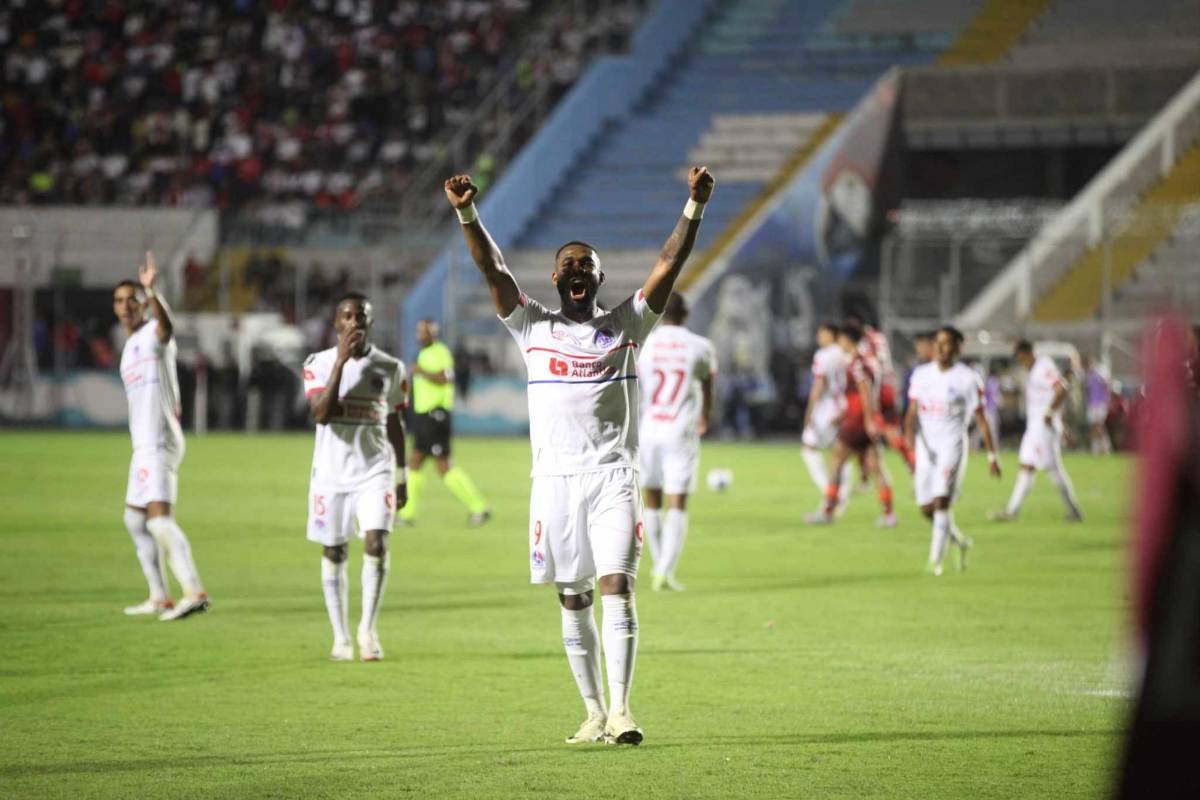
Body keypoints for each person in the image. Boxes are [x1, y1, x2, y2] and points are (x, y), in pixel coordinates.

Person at [444, 164, 715, 746]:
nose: (575, 271)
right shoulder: (530, 325)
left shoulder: (628, 323)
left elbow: (670, 263)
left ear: (598, 279)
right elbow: (492, 267)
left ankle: (622, 711)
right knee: (574, 597)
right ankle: (593, 711)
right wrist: (467, 213)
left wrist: (694, 206)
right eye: (567, 264)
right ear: (553, 276)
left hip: (614, 475)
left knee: (617, 585)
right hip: (555, 482)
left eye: (585, 266)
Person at [302, 292, 409, 661]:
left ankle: (367, 629)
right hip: (331, 475)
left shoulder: (391, 367)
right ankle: (340, 637)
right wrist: (341, 365)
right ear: (336, 323)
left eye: (361, 317)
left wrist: (402, 474)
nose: (355, 323)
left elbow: (395, 420)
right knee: (334, 550)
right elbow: (321, 414)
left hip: (374, 472)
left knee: (376, 543)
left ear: (370, 323)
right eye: (347, 316)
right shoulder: (318, 363)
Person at [114, 251, 209, 621]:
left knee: (157, 520)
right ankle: (158, 596)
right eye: (119, 301)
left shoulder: (153, 335)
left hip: (159, 441)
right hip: (143, 445)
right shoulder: (128, 348)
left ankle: (194, 590)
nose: (125, 306)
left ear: (143, 306)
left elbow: (166, 327)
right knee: (135, 521)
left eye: (132, 299)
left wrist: (154, 292)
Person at [904, 327, 1002, 576]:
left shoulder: (967, 379)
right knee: (925, 507)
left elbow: (981, 418)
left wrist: (992, 455)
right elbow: (912, 411)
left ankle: (934, 561)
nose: (940, 347)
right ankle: (959, 543)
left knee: (941, 502)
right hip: (926, 446)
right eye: (937, 342)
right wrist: (908, 442)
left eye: (947, 343)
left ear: (959, 347)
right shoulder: (921, 374)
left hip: (952, 444)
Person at [637, 292, 716, 592]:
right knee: (677, 503)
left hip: (649, 428)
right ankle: (664, 571)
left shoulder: (647, 343)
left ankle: (660, 566)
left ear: (660, 315)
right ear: (686, 314)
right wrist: (705, 416)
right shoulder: (700, 346)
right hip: (680, 429)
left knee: (652, 501)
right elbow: (708, 384)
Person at [397, 318, 491, 527]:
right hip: (423, 417)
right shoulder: (423, 354)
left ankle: (479, 507)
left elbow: (447, 377)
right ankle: (407, 514)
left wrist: (422, 372)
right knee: (415, 461)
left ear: (433, 333)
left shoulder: (441, 352)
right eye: (418, 331)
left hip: (436, 415)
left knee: (443, 466)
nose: (419, 335)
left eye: (423, 331)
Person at [805, 325, 896, 527]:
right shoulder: (870, 361)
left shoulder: (857, 363)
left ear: (847, 340)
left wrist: (866, 420)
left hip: (858, 421)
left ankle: (828, 511)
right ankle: (889, 515)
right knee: (877, 467)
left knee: (836, 461)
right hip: (865, 418)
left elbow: (865, 392)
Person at [990, 340, 1083, 522]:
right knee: (1026, 466)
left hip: (1043, 429)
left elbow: (1062, 388)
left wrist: (1050, 413)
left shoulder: (1043, 366)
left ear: (1027, 353)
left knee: (1053, 471)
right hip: (1035, 428)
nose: (1020, 362)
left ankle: (1074, 511)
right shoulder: (1034, 370)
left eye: (1020, 357)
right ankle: (1011, 511)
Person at [800, 322, 849, 513]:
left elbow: (819, 384)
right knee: (840, 452)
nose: (818, 338)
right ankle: (839, 496)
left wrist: (809, 411)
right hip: (843, 405)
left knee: (809, 448)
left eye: (822, 334)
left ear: (832, 335)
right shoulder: (845, 353)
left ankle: (831, 495)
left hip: (827, 409)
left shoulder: (824, 355)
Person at [1083, 356, 1112, 455]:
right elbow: (1088, 391)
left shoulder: (1100, 373)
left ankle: (1105, 448)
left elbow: (1106, 386)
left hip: (1101, 403)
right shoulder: (1088, 376)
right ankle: (1096, 448)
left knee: (1099, 426)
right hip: (1092, 403)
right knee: (1094, 426)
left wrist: (1108, 400)